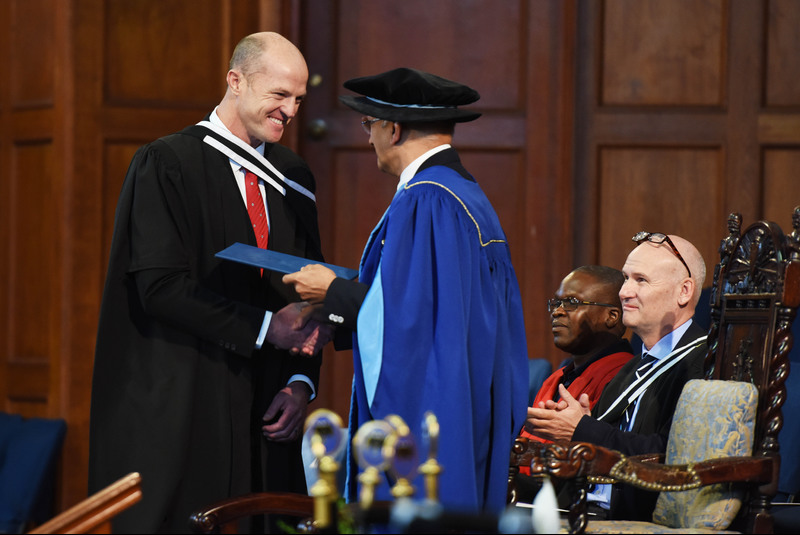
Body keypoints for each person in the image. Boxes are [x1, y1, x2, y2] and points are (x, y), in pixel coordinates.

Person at [88, 32, 333, 533]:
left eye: (299, 99)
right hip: (188, 400)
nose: (290, 111)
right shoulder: (167, 164)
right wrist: (268, 328)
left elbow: (311, 287)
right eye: (279, 95)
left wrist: (301, 381)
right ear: (235, 81)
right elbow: (160, 287)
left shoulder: (292, 176)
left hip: (267, 411)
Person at [282, 67, 529, 513]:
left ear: (392, 129)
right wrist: (332, 317)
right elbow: (433, 310)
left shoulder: (426, 199)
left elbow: (411, 322)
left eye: (369, 126)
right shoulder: (466, 195)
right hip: (467, 398)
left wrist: (332, 291)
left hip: (435, 407)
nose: (368, 139)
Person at [525, 232, 708, 521]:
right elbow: (609, 441)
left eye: (641, 280)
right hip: (589, 509)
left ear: (684, 291)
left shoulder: (702, 365)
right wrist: (581, 430)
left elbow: (672, 455)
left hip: (642, 518)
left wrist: (584, 430)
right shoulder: (631, 368)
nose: (624, 292)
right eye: (625, 278)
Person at [520, 265, 634, 443]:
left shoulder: (624, 377)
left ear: (611, 316)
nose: (557, 312)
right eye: (556, 303)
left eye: (571, 303)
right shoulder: (557, 377)